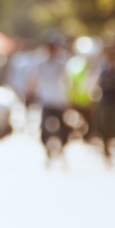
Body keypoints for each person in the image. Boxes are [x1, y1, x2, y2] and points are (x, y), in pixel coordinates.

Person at [29, 34, 71, 164]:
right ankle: (48, 151)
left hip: (59, 100)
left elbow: (68, 79)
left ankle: (62, 149)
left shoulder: (62, 62)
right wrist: (32, 93)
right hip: (46, 99)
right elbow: (35, 78)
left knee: (63, 129)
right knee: (44, 129)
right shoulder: (41, 62)